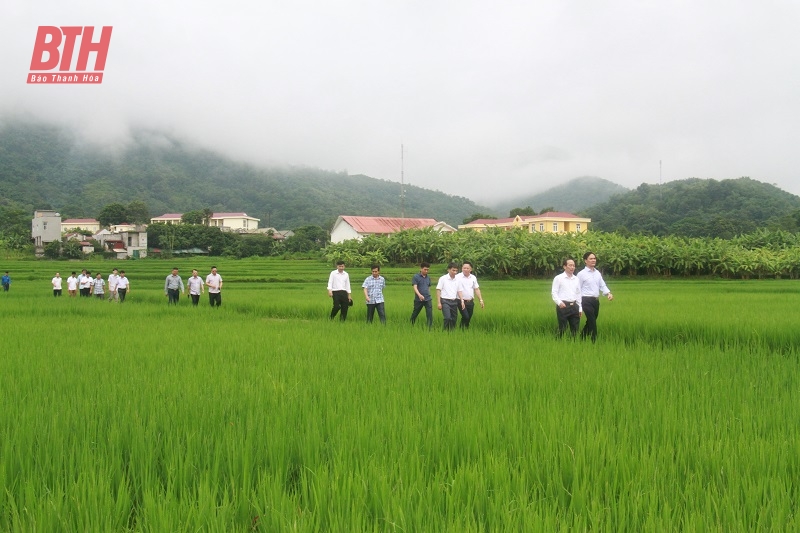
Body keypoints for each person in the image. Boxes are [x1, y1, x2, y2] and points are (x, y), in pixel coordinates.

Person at [577, 251, 614, 342]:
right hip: (585, 300)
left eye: (594, 258)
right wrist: (579, 305)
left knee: (590, 321)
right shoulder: (581, 274)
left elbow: (602, 285)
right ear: (585, 261)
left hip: (595, 301)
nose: (593, 260)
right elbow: (577, 289)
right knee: (592, 321)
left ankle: (582, 338)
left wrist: (608, 293)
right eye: (591, 259)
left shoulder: (597, 273)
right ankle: (594, 341)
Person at [552, 257, 582, 338]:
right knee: (562, 328)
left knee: (575, 329)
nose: (572, 267)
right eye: (570, 265)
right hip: (563, 306)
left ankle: (574, 345)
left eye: (573, 265)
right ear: (564, 267)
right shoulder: (558, 278)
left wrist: (580, 308)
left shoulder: (576, 279)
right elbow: (554, 292)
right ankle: (558, 344)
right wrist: (559, 302)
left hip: (574, 306)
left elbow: (578, 294)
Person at [436, 262, 464, 331]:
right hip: (445, 301)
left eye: (456, 271)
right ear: (448, 270)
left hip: (454, 301)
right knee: (447, 317)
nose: (455, 272)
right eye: (453, 270)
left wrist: (462, 300)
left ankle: (451, 332)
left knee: (454, 319)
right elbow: (438, 290)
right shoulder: (443, 278)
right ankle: (444, 331)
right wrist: (439, 303)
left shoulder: (458, 280)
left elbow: (459, 291)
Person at [456, 261, 484, 329]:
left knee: (468, 318)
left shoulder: (473, 278)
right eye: (464, 268)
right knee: (466, 316)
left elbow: (476, 289)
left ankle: (464, 331)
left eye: (467, 268)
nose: (465, 269)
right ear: (461, 268)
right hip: (460, 301)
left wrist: (480, 299)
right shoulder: (457, 277)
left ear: (471, 269)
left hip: (470, 302)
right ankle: (461, 330)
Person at [410, 262, 433, 329]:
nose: (426, 271)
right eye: (425, 269)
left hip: (428, 299)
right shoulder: (416, 276)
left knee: (429, 314)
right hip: (418, 299)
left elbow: (428, 287)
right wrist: (419, 295)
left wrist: (428, 294)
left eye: (427, 270)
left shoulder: (428, 277)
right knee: (415, 313)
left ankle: (429, 328)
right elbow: (415, 287)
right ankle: (411, 324)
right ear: (421, 269)